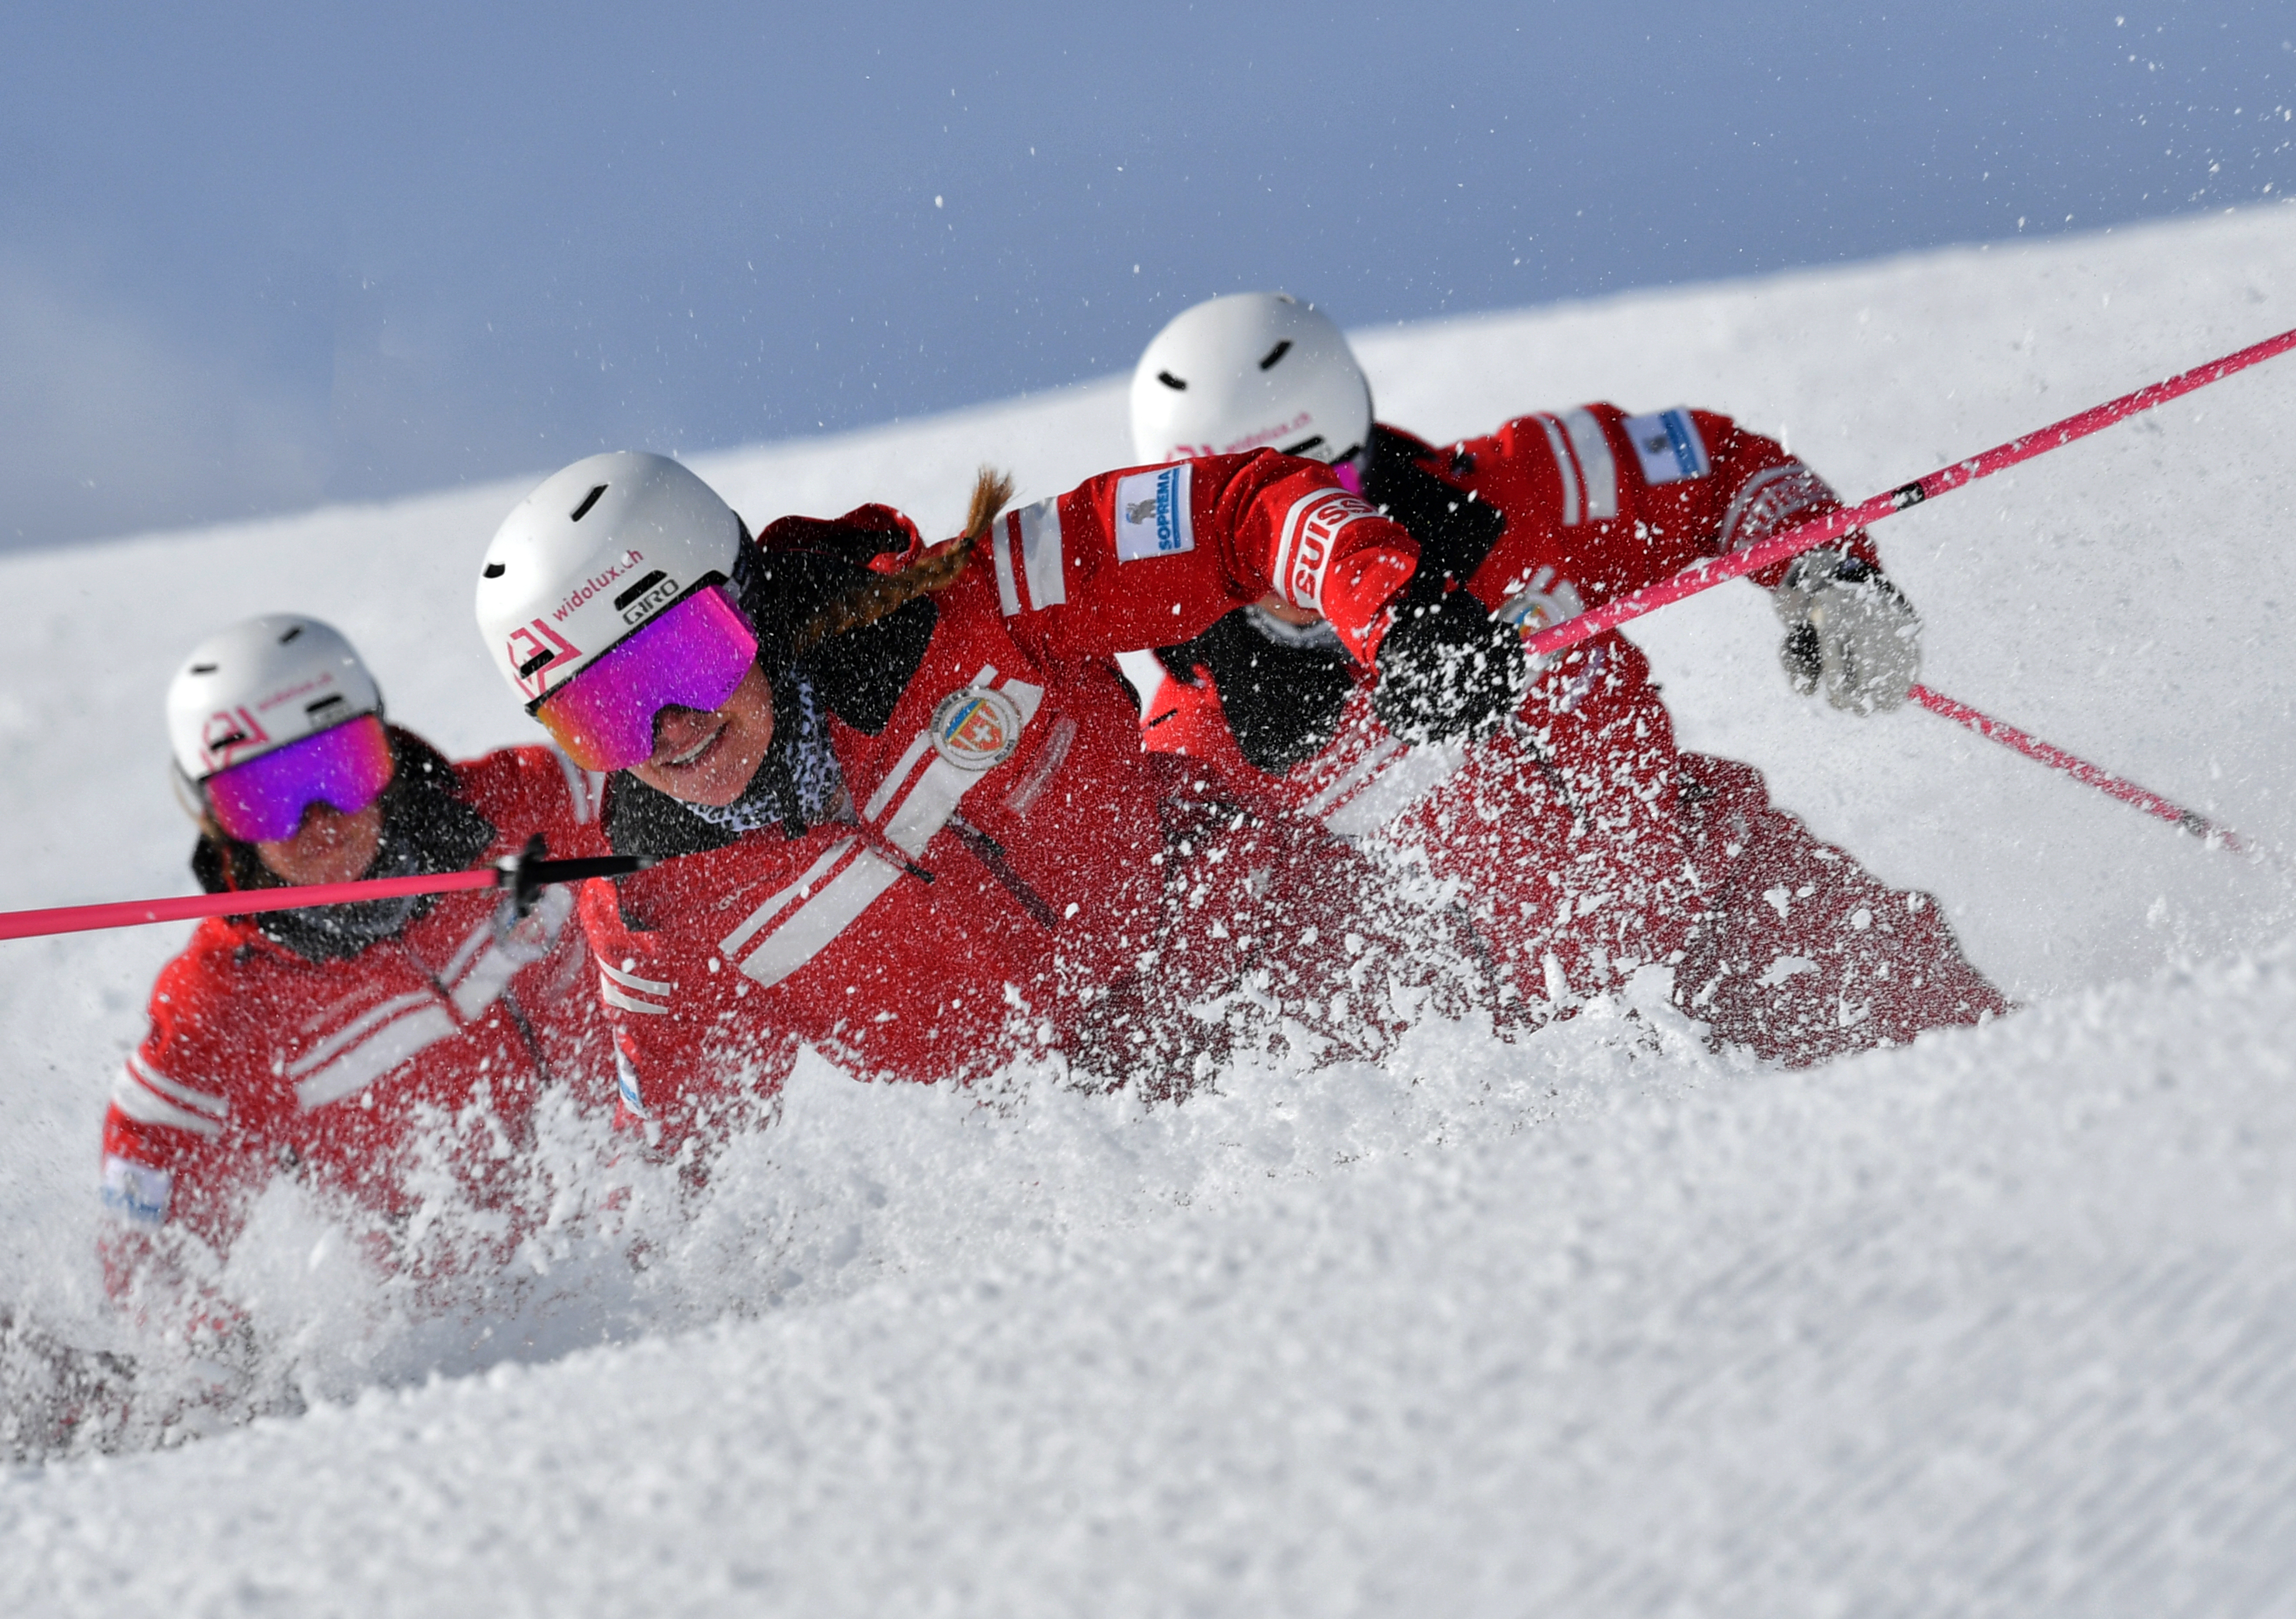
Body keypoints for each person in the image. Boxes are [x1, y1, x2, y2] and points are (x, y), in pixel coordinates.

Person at [471, 448, 1515, 1152]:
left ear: (751, 598)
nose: (667, 734)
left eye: (685, 659)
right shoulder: (657, 906)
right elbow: (675, 1166)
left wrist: (1396, 607)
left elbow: (1235, 513)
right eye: (601, 712)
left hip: (1275, 941)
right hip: (1084, 1145)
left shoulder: (978, 607)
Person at [1126, 293, 2002, 1066]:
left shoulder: (1514, 494)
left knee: (1983, 1057)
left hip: (1725, 899)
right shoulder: (1203, 742)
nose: (1304, 562)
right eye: (1255, 536)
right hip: (1542, 1062)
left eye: (1335, 488)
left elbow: (1720, 468)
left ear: (1366, 451)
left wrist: (1828, 573)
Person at [100, 615, 617, 1337]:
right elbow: (147, 1244)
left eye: (339, 769)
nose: (318, 823)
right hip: (472, 1345)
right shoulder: (226, 1005)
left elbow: (686, 795)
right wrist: (212, 1344)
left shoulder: (521, 813)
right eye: (266, 798)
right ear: (219, 821)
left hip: (650, 1229)